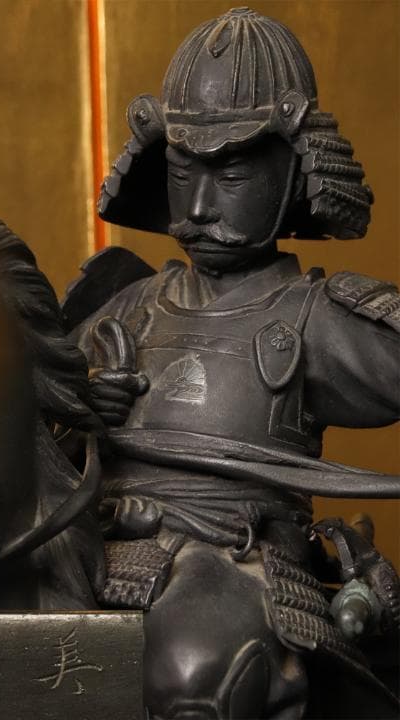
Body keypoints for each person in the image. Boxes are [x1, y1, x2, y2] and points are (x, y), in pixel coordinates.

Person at [72, 8, 398, 717]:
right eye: (181, 172)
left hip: (234, 555)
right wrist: (81, 410)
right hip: (105, 536)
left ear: (293, 173)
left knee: (195, 668)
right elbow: (37, 427)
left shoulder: (313, 318)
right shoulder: (129, 306)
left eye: (233, 174)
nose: (197, 206)